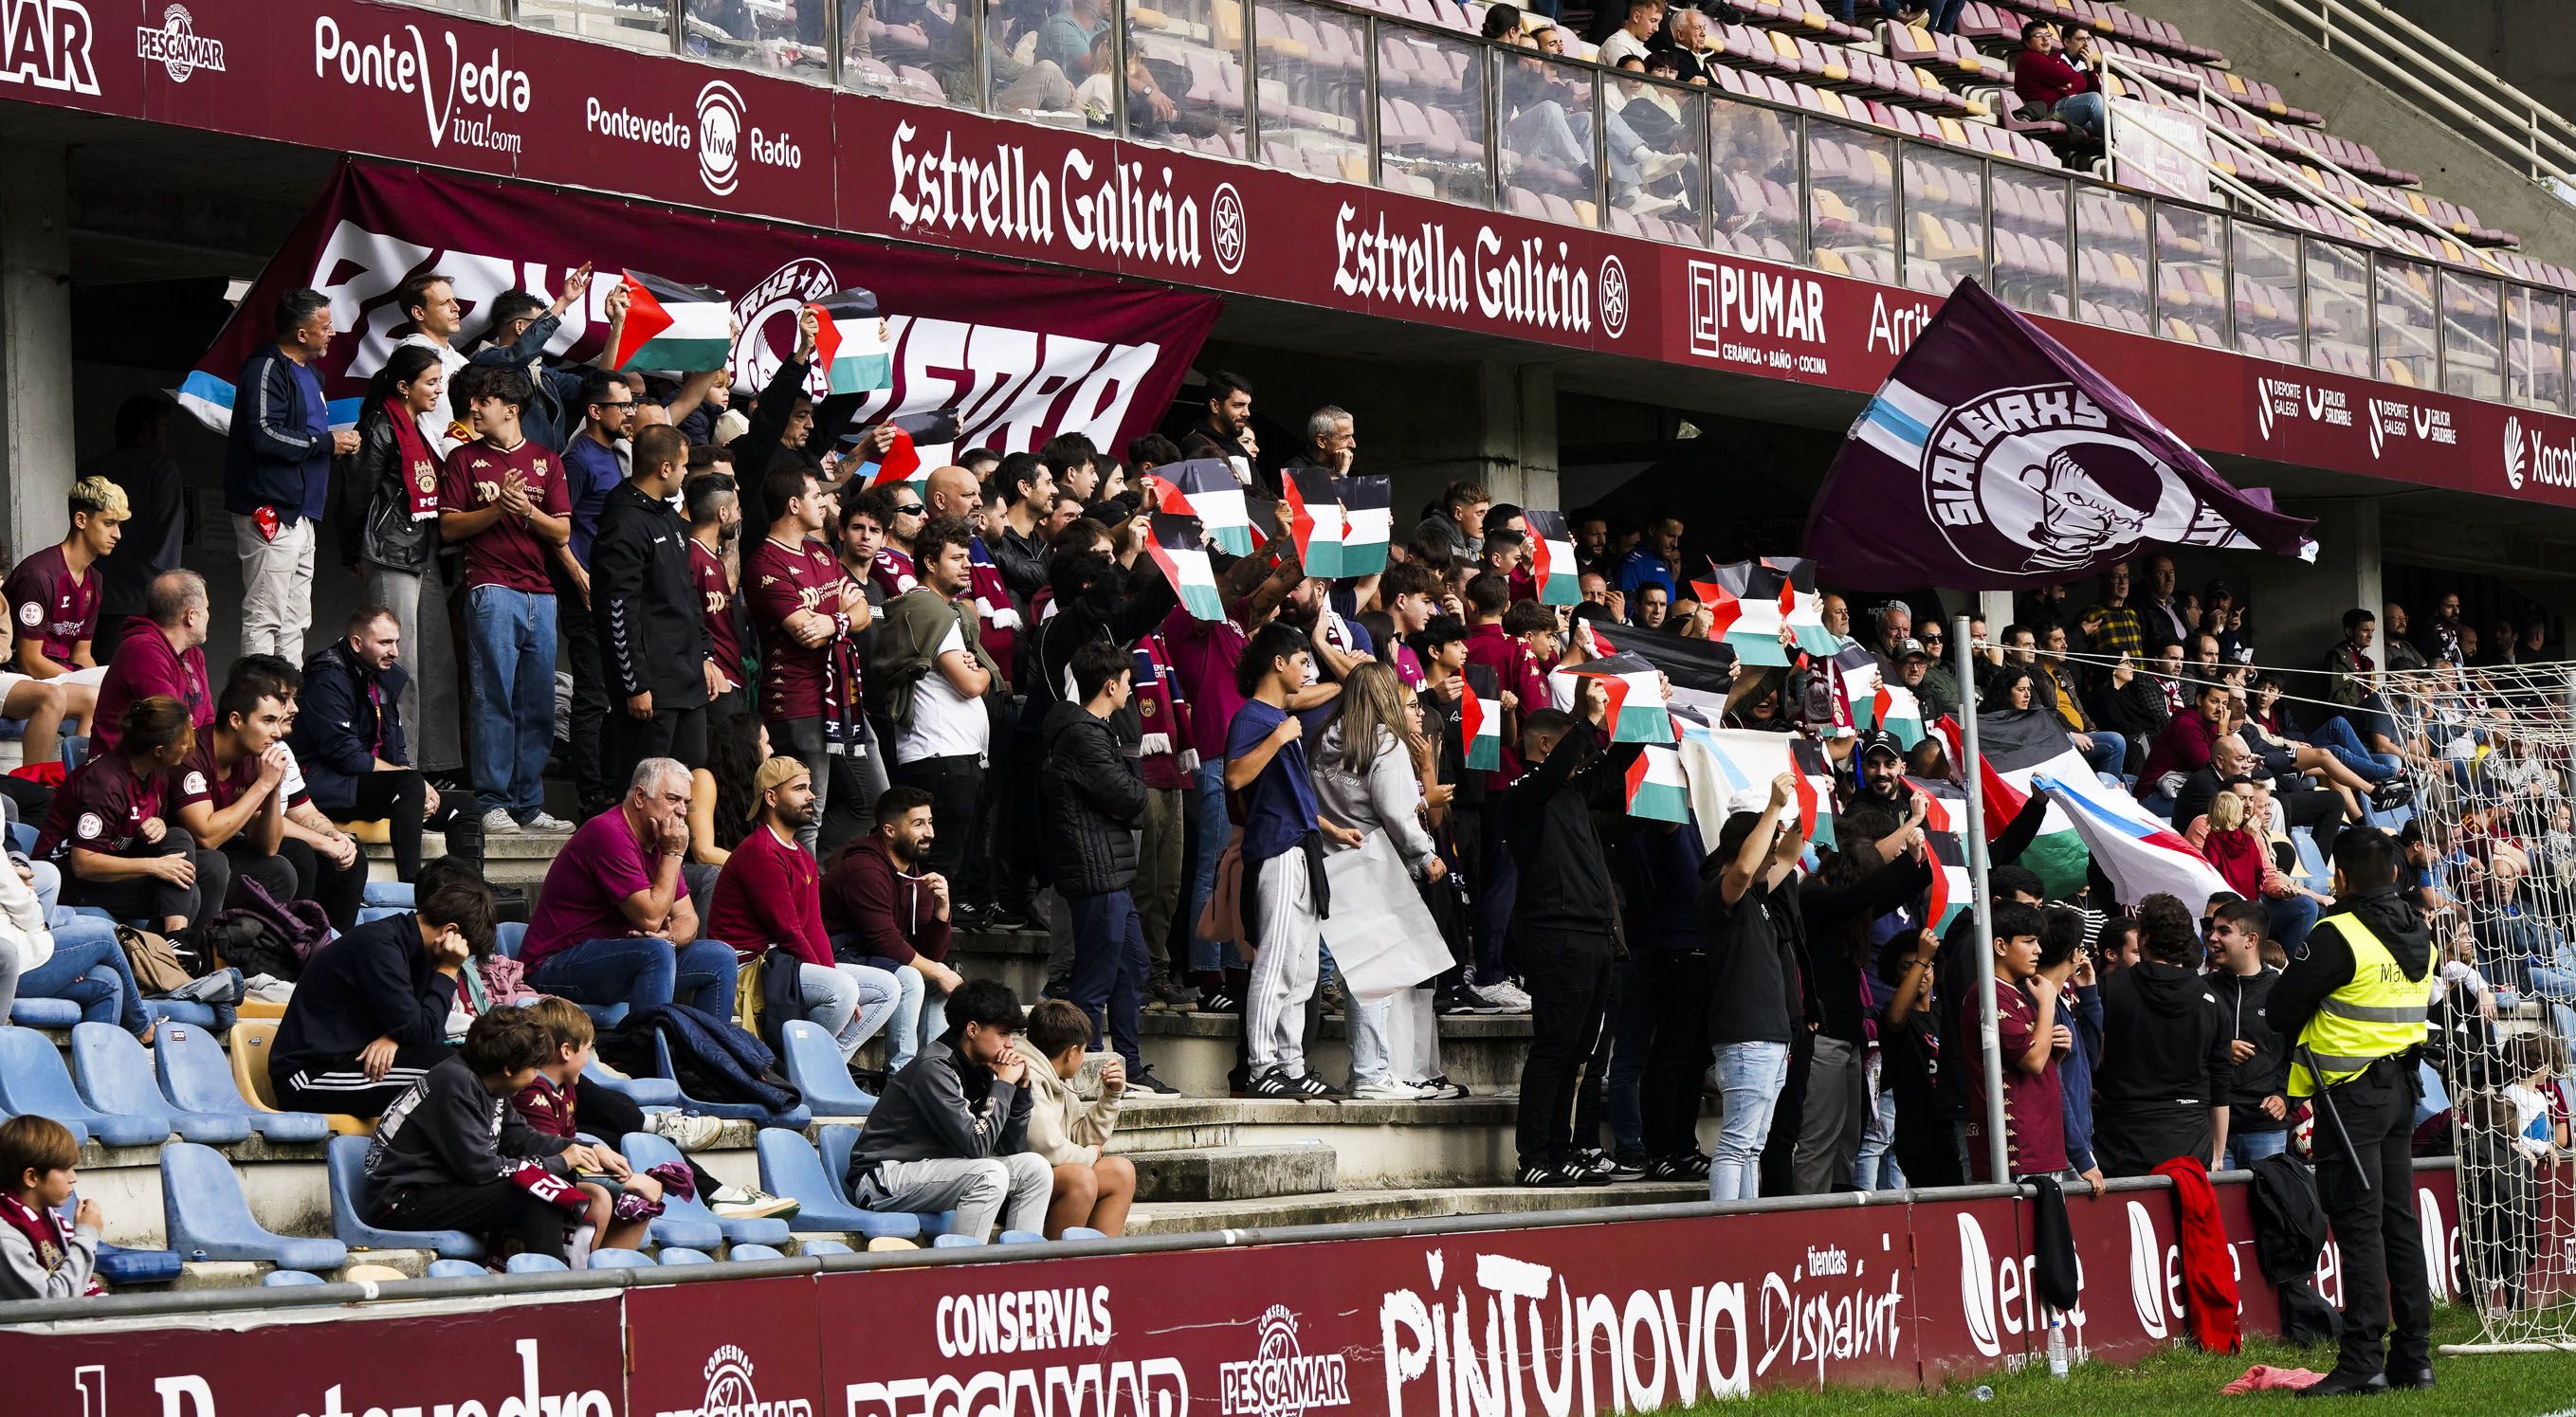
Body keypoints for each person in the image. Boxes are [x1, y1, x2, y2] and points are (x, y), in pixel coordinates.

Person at [2269, 827, 2435, 1395]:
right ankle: (2415, 1357)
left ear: (2339, 877)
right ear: (2392, 873)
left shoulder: (2339, 932)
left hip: (2351, 1095)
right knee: (2399, 1223)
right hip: (2400, 1090)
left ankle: (2364, 1358)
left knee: (2360, 1226)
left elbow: (2280, 1005)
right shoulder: (2420, 932)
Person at [1507, 681, 1646, 1186]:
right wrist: (1587, 721)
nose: (1584, 751)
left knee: (1579, 1052)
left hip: (1593, 935)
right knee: (1555, 1048)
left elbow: (1612, 768)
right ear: (1548, 745)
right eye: (1573, 742)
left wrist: (1643, 719)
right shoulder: (1525, 792)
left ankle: (1560, 1150)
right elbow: (1560, 770)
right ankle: (1534, 1158)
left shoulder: (1571, 793)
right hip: (1555, 933)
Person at [439, 366, 575, 837]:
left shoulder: (547, 460)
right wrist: (499, 508)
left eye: (482, 401)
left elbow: (563, 531)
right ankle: (494, 801)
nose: (473, 408)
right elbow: (449, 527)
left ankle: (528, 803)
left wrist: (528, 511)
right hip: (490, 587)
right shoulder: (462, 459)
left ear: (511, 409)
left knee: (537, 702)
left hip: (541, 592)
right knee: (492, 696)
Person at [1038, 641, 1178, 1094]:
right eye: (1128, 683)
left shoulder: (1094, 731)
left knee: (1133, 967)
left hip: (1111, 872)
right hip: (1096, 873)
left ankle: (1128, 1065)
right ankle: (1090, 1068)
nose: (1133, 691)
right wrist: (1127, 797)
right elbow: (1132, 798)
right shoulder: (1082, 734)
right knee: (1096, 977)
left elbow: (1123, 799)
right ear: (1110, 684)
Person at [362, 1009, 607, 1266]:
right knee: (538, 1193)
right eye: (534, 1067)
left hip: (440, 1190)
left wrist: (585, 1149)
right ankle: (551, 1290)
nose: (536, 1076)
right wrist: (556, 1163)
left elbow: (521, 1138)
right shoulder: (456, 1084)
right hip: (403, 1204)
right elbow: (480, 1170)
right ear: (509, 1068)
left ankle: (526, 1273)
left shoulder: (489, 1081)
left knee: (547, 1181)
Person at [1231, 622, 1361, 1098]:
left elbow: (1295, 796)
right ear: (1278, 663)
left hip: (1303, 845)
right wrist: (1281, 738)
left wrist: (1329, 828)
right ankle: (1260, 1067)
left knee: (1304, 971)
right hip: (1277, 850)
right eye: (1303, 660)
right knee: (1278, 964)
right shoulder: (1256, 718)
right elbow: (1236, 778)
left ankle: (1290, 1063)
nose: (1307, 670)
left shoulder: (1279, 716)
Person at [1313, 662, 1450, 1101]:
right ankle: (1372, 1074)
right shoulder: (1384, 742)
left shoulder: (1323, 740)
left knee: (1356, 975)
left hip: (1328, 861)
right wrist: (1425, 853)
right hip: (1375, 863)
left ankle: (1366, 1072)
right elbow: (1395, 809)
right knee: (1379, 976)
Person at [707, 755, 902, 1063]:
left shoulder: (801, 855)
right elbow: (788, 930)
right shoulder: (761, 851)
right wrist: (835, 980)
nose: (811, 795)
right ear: (771, 797)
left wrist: (830, 972)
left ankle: (825, 1067)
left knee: (888, 986)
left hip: (782, 965)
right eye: (799, 789)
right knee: (841, 990)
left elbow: (813, 926)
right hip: (750, 969)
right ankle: (802, 1070)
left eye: (810, 787)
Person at [520, 758, 739, 1015]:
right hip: (554, 964)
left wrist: (671, 937)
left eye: (685, 803)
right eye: (672, 799)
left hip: (622, 960)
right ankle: (643, 1051)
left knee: (720, 957)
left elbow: (688, 918)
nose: (681, 811)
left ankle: (709, 1052)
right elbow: (650, 917)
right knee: (655, 953)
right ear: (639, 797)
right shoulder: (608, 832)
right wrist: (674, 854)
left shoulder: (660, 842)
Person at [845, 977, 1053, 1242]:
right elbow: (977, 1145)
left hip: (933, 1170)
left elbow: (1010, 1146)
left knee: (1035, 1169)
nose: (1010, 1044)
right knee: (989, 1176)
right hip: (884, 1179)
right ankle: (965, 1276)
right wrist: (1003, 1086)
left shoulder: (983, 1066)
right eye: (1003, 1034)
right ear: (973, 1029)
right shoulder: (935, 1067)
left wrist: (1020, 1090)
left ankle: (1020, 1273)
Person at [268, 877, 495, 1117]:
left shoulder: (414, 950)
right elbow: (425, 1033)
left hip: (352, 1061)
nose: (460, 962)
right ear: (450, 932)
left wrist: (395, 1037)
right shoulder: (379, 947)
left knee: (472, 1065)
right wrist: (449, 970)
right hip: (309, 1076)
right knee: (455, 1073)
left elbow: (426, 1028)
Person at [338, 344, 462, 778]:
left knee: (434, 662)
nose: (438, 389)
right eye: (431, 382)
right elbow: (357, 494)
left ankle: (434, 765)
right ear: (404, 386)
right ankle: (400, 765)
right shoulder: (380, 425)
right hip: (390, 549)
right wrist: (352, 548)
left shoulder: (420, 425)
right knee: (399, 660)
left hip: (423, 549)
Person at [296, 606, 486, 881]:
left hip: (372, 785)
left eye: (396, 641)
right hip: (326, 785)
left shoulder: (382, 676)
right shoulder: (327, 678)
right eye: (385, 642)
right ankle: (411, 886)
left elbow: (396, 749)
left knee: (466, 805)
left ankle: (468, 891)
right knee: (408, 784)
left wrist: (423, 787)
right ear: (357, 643)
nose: (395, 652)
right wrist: (412, 781)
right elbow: (346, 756)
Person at [870, 518, 999, 912]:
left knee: (949, 867)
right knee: (940, 870)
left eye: (968, 558)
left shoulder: (945, 611)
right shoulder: (932, 611)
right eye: (956, 558)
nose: (966, 566)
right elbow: (971, 683)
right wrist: (980, 668)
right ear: (929, 561)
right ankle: (932, 960)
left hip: (954, 757)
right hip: (941, 757)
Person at [174, 663, 366, 930]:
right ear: (236, 720)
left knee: (282, 869)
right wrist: (263, 786)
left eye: (278, 721)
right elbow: (207, 836)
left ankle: (302, 944)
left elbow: (268, 846)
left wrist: (275, 788)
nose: (276, 733)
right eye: (267, 721)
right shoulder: (193, 753)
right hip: (180, 857)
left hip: (220, 852)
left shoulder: (255, 756)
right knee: (233, 863)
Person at [224, 288, 356, 658]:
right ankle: (257, 707)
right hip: (270, 508)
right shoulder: (266, 366)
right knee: (265, 613)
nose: (333, 332)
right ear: (302, 334)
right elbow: (264, 434)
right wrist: (326, 444)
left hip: (303, 513)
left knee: (296, 619)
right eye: (326, 326)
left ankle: (285, 711)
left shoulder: (312, 375)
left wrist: (334, 446)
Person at [33, 696, 226, 936]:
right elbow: (83, 863)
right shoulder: (106, 783)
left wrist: (159, 824)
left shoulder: (155, 770)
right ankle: (170, 951)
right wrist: (154, 866)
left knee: (196, 853)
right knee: (187, 894)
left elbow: (136, 817)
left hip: (116, 857)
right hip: (69, 880)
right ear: (158, 751)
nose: (190, 746)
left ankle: (185, 947)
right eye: (184, 741)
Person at [591, 424, 711, 793]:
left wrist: (705, 654)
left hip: (687, 680)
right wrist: (635, 684)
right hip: (653, 688)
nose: (686, 473)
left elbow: (689, 597)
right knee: (648, 792)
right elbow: (617, 610)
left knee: (688, 785)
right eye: (683, 466)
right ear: (664, 468)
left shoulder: (669, 519)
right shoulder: (624, 521)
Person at [1704, 776, 1805, 1200]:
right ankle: (1725, 1232)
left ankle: (1746, 1225)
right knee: (1735, 1144)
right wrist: (1774, 806)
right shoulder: (1722, 890)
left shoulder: (1758, 897)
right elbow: (1746, 867)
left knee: (1752, 1147)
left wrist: (1804, 803)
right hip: (1747, 1038)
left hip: (1771, 1039)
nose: (1774, 857)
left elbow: (1788, 853)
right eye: (1768, 843)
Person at [2091, 894, 2231, 1176]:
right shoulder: (2212, 1001)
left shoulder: (2109, 989)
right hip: (2189, 1143)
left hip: (2121, 1141)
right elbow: (2220, 1082)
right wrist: (2217, 1153)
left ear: (2144, 938)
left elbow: (2093, 1058)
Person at [823, 787, 960, 1074]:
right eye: (918, 824)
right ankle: (902, 1075)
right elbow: (884, 941)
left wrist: (942, 910)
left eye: (930, 822)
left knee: (936, 982)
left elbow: (929, 954)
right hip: (831, 955)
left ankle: (934, 1072)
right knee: (914, 977)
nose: (930, 832)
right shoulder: (864, 869)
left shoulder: (914, 874)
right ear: (889, 830)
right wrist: (938, 971)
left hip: (869, 956)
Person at [1012, 998, 1138, 1238]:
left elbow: (1081, 1136)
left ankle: (1100, 1266)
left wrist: (1110, 1097)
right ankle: (1060, 1268)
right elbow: (1046, 1147)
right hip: (1020, 1181)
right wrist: (1089, 1155)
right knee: (1080, 1178)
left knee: (1121, 1172)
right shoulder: (1025, 1071)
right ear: (1071, 1053)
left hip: (1052, 1174)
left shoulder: (1054, 1071)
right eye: (1083, 1049)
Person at [1964, 901, 2066, 1181]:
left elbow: (2036, 1063)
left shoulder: (2017, 992)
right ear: (2000, 946)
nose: (2039, 951)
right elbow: (2032, 1061)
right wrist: (2048, 1004)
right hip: (2014, 1152)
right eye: (2029, 941)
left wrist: (2057, 1052)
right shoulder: (1989, 993)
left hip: (2040, 1146)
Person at [80, 391, 185, 661]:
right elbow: (168, 542)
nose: (167, 439)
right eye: (164, 429)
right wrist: (169, 603)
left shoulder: (92, 470)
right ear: (147, 430)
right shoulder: (160, 468)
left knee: (101, 684)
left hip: (93, 600)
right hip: (144, 603)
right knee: (146, 689)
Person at [2206, 897, 2292, 1170]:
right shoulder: (2201, 990)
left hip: (2265, 1129)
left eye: (2224, 931)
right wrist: (2219, 1049)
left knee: (2267, 1207)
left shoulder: (2282, 992)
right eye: (2212, 929)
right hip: (2211, 1126)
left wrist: (2285, 1098)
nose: (2212, 937)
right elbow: (2178, 1049)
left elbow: (2301, 1054)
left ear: (2251, 939)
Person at [90, 569, 210, 759]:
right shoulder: (142, 650)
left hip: (173, 763)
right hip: (122, 772)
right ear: (191, 616)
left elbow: (207, 721)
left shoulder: (194, 655)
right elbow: (172, 725)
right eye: (206, 608)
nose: (208, 616)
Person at [0, 1115, 100, 1300]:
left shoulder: (47, 1216)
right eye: (64, 1169)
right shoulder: (6, 1236)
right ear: (31, 1177)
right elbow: (54, 1302)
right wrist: (87, 1235)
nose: (73, 1178)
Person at [685, 468, 748, 713]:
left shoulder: (714, 559)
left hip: (732, 675)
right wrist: (707, 662)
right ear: (722, 513)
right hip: (715, 680)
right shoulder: (692, 557)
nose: (739, 516)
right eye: (736, 509)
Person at [2012, 19, 2103, 142]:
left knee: (2111, 123)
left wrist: (2076, 80)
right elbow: (2067, 76)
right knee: (2093, 100)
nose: (2045, 40)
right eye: (2039, 36)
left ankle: (2118, 147)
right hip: (2051, 111)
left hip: (2063, 108)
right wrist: (2072, 82)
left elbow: (2081, 84)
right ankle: (2116, 145)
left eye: (2048, 35)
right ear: (2027, 42)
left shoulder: (2049, 60)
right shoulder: (2030, 58)